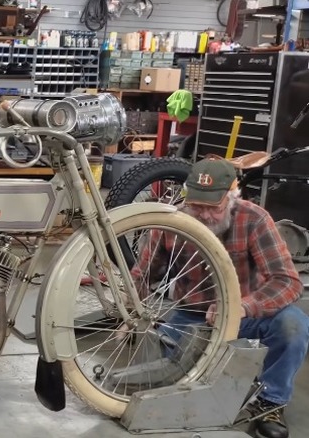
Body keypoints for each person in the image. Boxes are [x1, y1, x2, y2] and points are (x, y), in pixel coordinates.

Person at [131, 158, 309, 438]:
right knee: (166, 372)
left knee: (293, 327)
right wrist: (128, 311)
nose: (202, 214)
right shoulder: (171, 222)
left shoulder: (254, 219)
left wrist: (244, 307)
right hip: (194, 317)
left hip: (247, 315)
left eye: (211, 207)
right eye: (196, 205)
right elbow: (141, 275)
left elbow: (288, 282)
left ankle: (271, 401)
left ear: (232, 195)